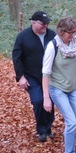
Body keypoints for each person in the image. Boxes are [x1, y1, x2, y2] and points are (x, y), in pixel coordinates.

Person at [42, 16, 76, 153]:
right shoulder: (53, 46)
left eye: (73, 32)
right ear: (61, 31)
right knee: (71, 122)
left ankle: (68, 141)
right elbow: (45, 73)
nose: (71, 35)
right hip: (57, 88)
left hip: (75, 87)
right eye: (69, 32)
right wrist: (46, 98)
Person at [12, 11, 57, 142]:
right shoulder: (23, 36)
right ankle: (41, 130)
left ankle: (48, 128)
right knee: (38, 100)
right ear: (33, 23)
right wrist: (20, 77)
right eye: (43, 23)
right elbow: (17, 57)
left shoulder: (52, 35)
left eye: (47, 23)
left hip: (49, 75)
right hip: (31, 76)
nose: (45, 26)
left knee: (50, 101)